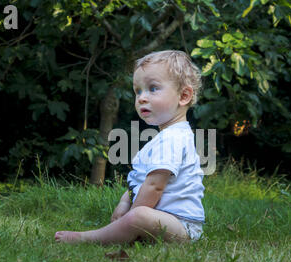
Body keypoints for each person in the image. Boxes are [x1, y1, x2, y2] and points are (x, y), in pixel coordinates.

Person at [55, 50, 205, 245]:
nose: (141, 97)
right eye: (138, 91)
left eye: (152, 88)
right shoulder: (166, 137)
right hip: (166, 220)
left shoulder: (174, 138)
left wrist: (130, 218)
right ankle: (131, 230)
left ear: (183, 96)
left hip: (182, 226)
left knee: (139, 216)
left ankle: (89, 238)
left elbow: (154, 186)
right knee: (139, 216)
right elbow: (143, 180)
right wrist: (124, 202)